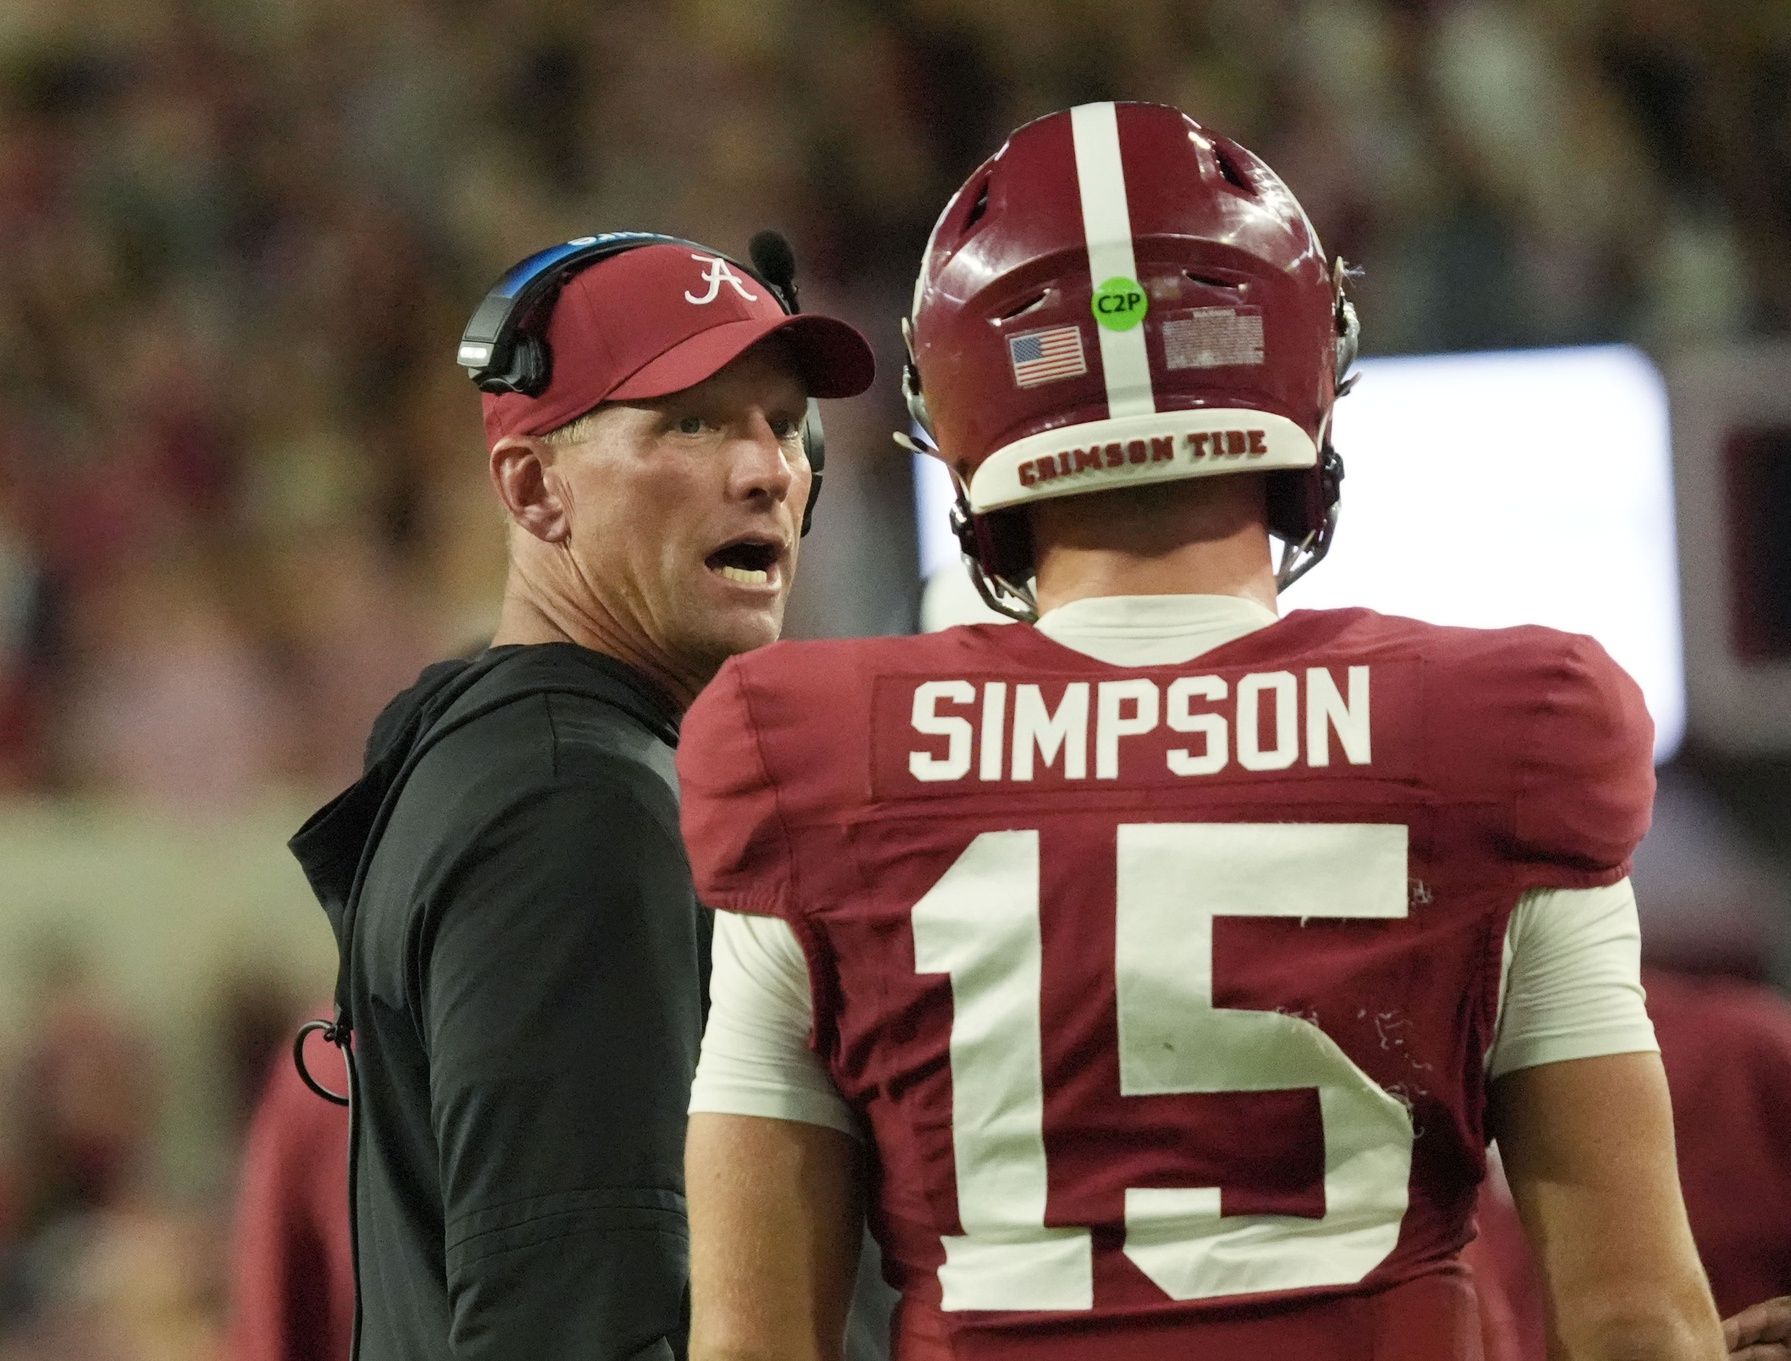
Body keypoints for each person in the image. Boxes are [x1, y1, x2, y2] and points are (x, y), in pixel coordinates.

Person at [676, 103, 1725, 1361]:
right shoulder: (1503, 740)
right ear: (1306, 373)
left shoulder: (809, 758)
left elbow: (754, 1341)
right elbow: (1634, 1316)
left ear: (952, 411)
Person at [287, 232, 874, 1361]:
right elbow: (571, 1326)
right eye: (690, 423)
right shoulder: (573, 804)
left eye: (783, 425)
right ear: (533, 488)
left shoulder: (529, 756)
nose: (765, 470)